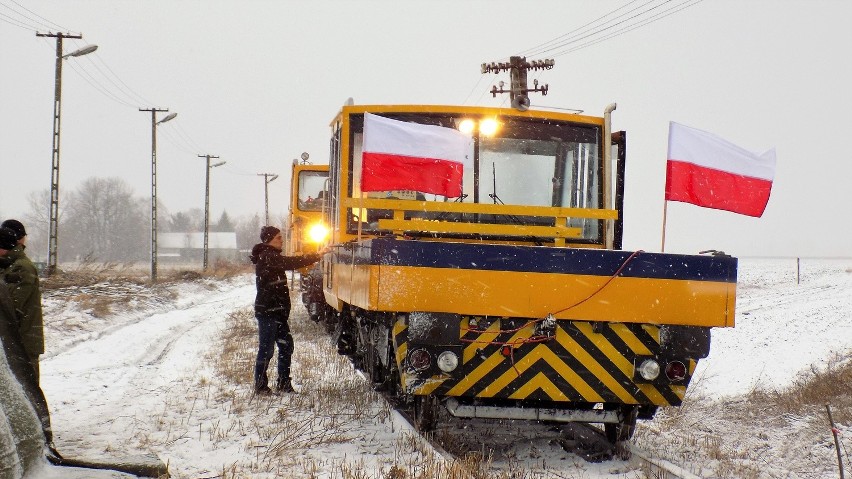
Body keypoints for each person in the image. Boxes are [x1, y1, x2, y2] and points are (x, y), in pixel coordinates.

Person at [249, 225, 323, 394]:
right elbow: (291, 262)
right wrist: (315, 256)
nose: (282, 240)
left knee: (286, 346)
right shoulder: (268, 256)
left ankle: (283, 383)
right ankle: (260, 386)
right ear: (269, 240)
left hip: (278, 312)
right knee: (267, 350)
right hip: (268, 312)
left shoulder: (271, 256)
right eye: (278, 238)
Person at [0, 220, 44, 382]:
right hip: (12, 342)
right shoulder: (8, 266)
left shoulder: (21, 268)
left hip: (23, 342)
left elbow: (11, 307)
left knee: (26, 391)